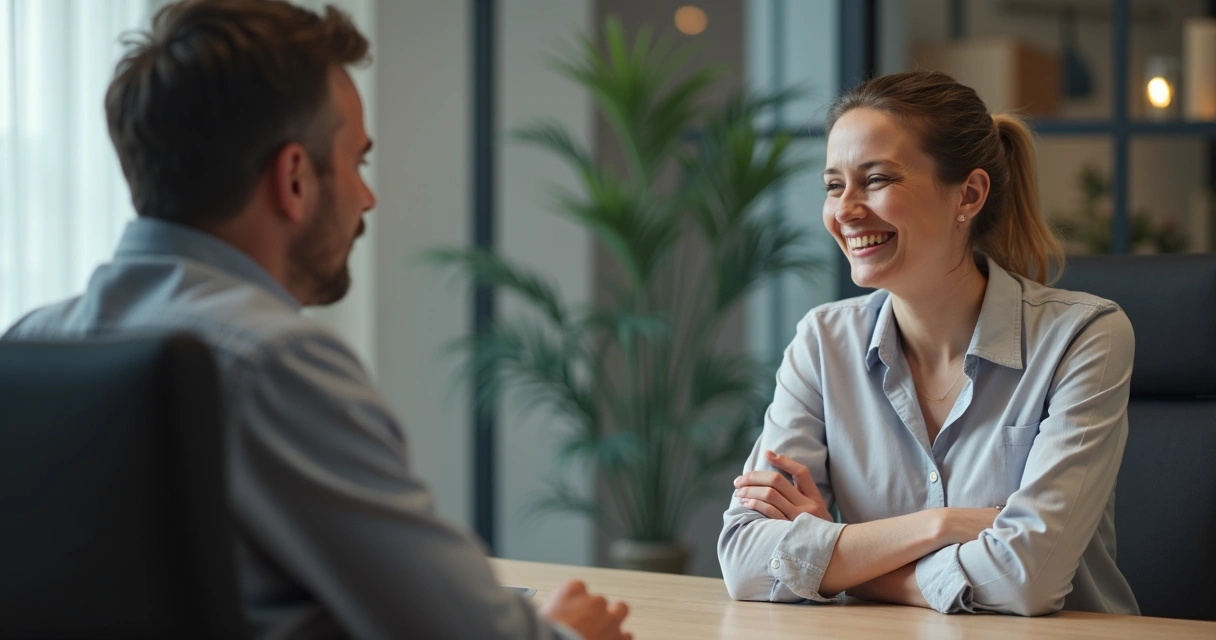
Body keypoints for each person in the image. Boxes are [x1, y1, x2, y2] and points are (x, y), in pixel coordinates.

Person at [1, 1, 630, 638]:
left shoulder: (30, 344)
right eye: (358, 162)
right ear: (295, 178)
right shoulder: (274, 363)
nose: (368, 197)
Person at [717, 70, 1140, 617]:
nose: (845, 210)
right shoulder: (822, 342)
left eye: (876, 179)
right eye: (833, 185)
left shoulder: (1083, 338)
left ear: (969, 194)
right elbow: (745, 559)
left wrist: (840, 556)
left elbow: (1025, 581)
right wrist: (942, 525)